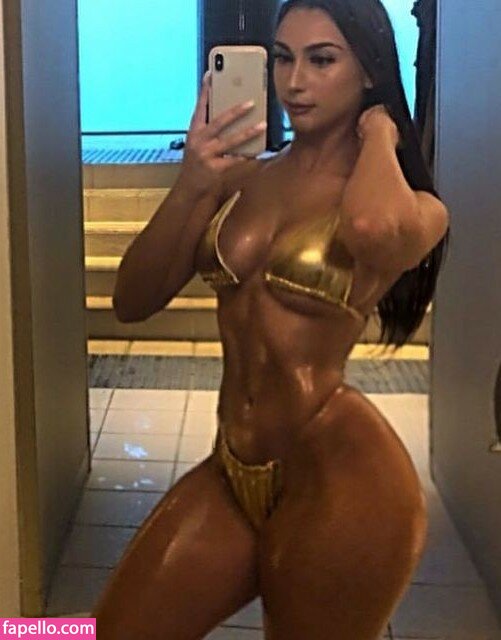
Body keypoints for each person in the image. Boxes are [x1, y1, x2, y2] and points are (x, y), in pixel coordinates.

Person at [92, 0, 450, 638]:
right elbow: (132, 300)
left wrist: (381, 132)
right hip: (233, 464)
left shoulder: (417, 208)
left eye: (322, 60)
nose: (295, 82)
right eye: (283, 59)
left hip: (342, 478)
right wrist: (193, 182)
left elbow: (370, 229)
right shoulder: (242, 182)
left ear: (370, 71)